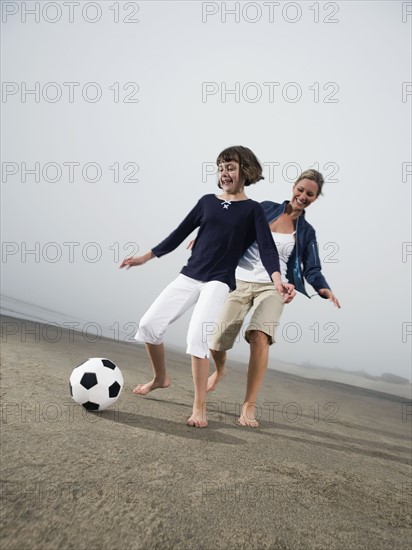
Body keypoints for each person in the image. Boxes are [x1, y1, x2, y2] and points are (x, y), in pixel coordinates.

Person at [119, 146, 295, 428]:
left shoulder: (252, 210)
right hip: (190, 274)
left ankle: (200, 406)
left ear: (245, 171)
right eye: (221, 168)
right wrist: (146, 256)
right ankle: (160, 378)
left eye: (231, 168)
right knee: (149, 325)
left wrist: (277, 280)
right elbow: (178, 234)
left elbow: (267, 249)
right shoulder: (206, 202)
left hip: (219, 280)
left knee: (196, 338)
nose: (225, 173)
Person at [208, 169, 341, 427]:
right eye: (301, 190)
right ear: (293, 187)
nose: (303, 196)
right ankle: (220, 369)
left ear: (315, 198)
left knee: (260, 335)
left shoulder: (306, 232)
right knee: (217, 340)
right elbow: (235, 227)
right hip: (240, 279)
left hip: (274, 286)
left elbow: (311, 268)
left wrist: (323, 288)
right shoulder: (266, 208)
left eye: (310, 194)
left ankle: (248, 406)